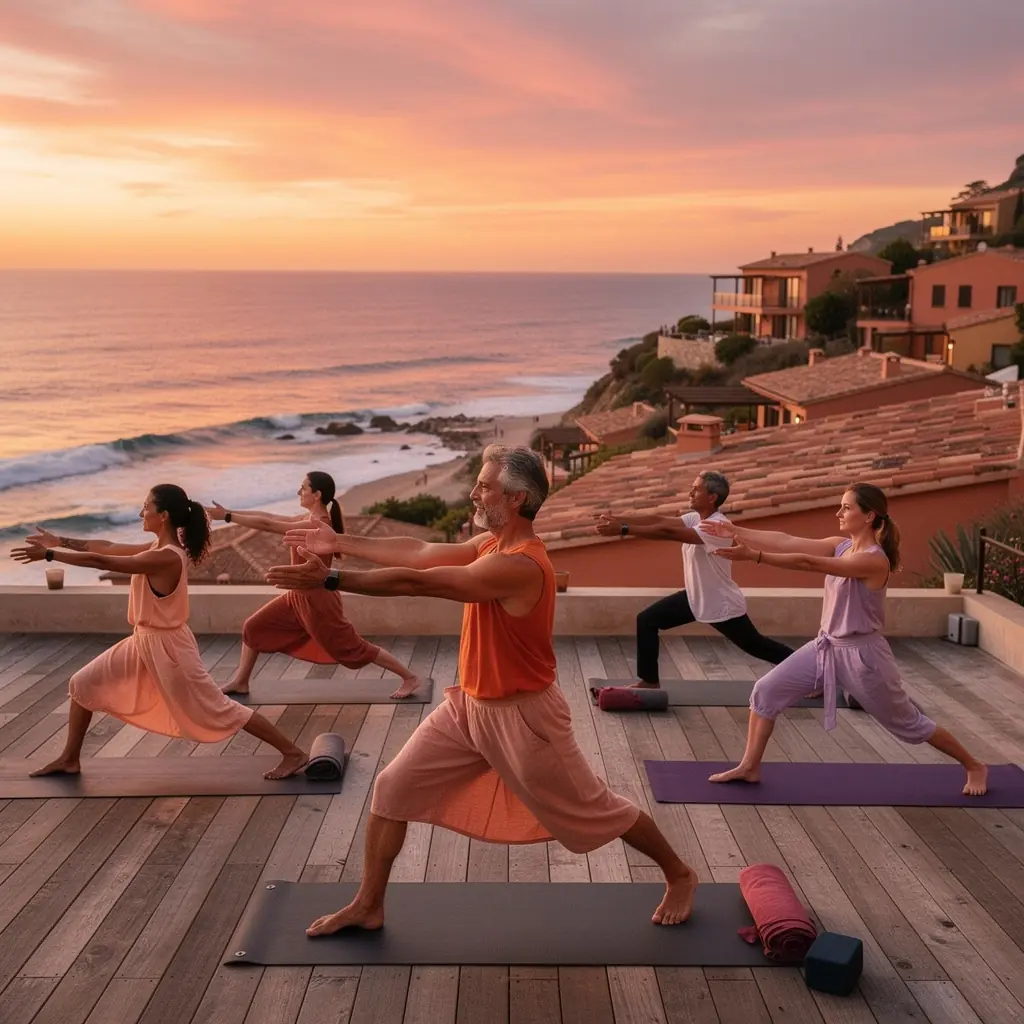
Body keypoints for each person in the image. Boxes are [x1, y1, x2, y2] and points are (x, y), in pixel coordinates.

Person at [265, 445, 699, 934]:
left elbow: (419, 582)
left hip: (524, 718)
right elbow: (419, 552)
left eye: (485, 486)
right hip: (468, 709)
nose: (474, 492)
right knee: (391, 789)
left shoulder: (520, 566)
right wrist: (337, 541)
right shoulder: (492, 545)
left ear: (514, 498)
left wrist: (334, 579)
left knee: (598, 809)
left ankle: (680, 874)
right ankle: (369, 903)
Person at [700, 482, 988, 797]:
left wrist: (754, 556)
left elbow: (809, 563)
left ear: (869, 516)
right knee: (765, 691)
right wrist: (732, 529)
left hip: (865, 657)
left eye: (847, 507)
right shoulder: (841, 546)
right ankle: (750, 767)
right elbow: (787, 540)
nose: (839, 512)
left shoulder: (874, 560)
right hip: (826, 647)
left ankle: (974, 765)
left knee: (909, 724)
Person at [10, 484, 308, 780]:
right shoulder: (155, 549)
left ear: (163, 515)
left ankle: (293, 753)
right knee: (82, 684)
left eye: (146, 507)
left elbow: (103, 561)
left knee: (221, 709)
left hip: (169, 648)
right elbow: (106, 547)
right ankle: (69, 759)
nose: (142, 512)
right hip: (142, 641)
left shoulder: (166, 557)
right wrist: (59, 540)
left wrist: (50, 555)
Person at [207, 471, 420, 699]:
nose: (299, 492)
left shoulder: (316, 525)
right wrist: (227, 513)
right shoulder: (308, 520)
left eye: (303, 488)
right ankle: (241, 681)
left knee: (352, 649)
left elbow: (267, 523)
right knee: (253, 627)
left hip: (316, 601)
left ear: (316, 494)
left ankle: (409, 677)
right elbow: (267, 516)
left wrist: (228, 516)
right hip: (295, 598)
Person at [594, 471, 794, 688]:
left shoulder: (717, 527)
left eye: (696, 489)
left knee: (758, 646)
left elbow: (668, 532)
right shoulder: (696, 518)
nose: (690, 492)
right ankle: (649, 681)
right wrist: (620, 519)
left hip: (720, 602)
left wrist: (624, 529)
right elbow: (659, 520)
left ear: (712, 497)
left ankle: (813, 674)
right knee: (647, 620)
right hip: (695, 596)